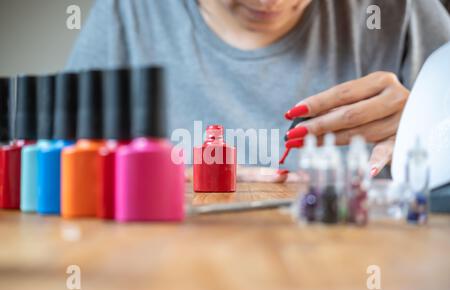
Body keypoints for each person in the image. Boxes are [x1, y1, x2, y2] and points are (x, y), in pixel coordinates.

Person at [67, 0, 450, 173]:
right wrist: (160, 175)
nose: (271, 2)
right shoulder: (127, 13)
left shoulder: (401, 10)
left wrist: (432, 128)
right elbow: (64, 168)